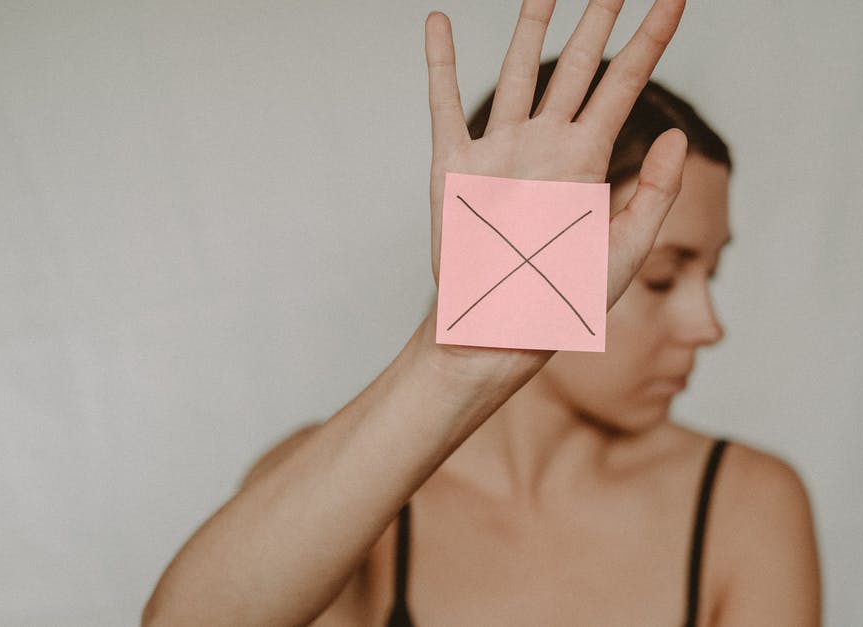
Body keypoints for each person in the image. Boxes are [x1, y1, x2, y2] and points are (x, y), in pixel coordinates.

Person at [143, 1, 820, 625]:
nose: (708, 326)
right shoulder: (344, 493)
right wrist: (452, 363)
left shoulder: (746, 504)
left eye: (713, 271)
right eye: (664, 278)